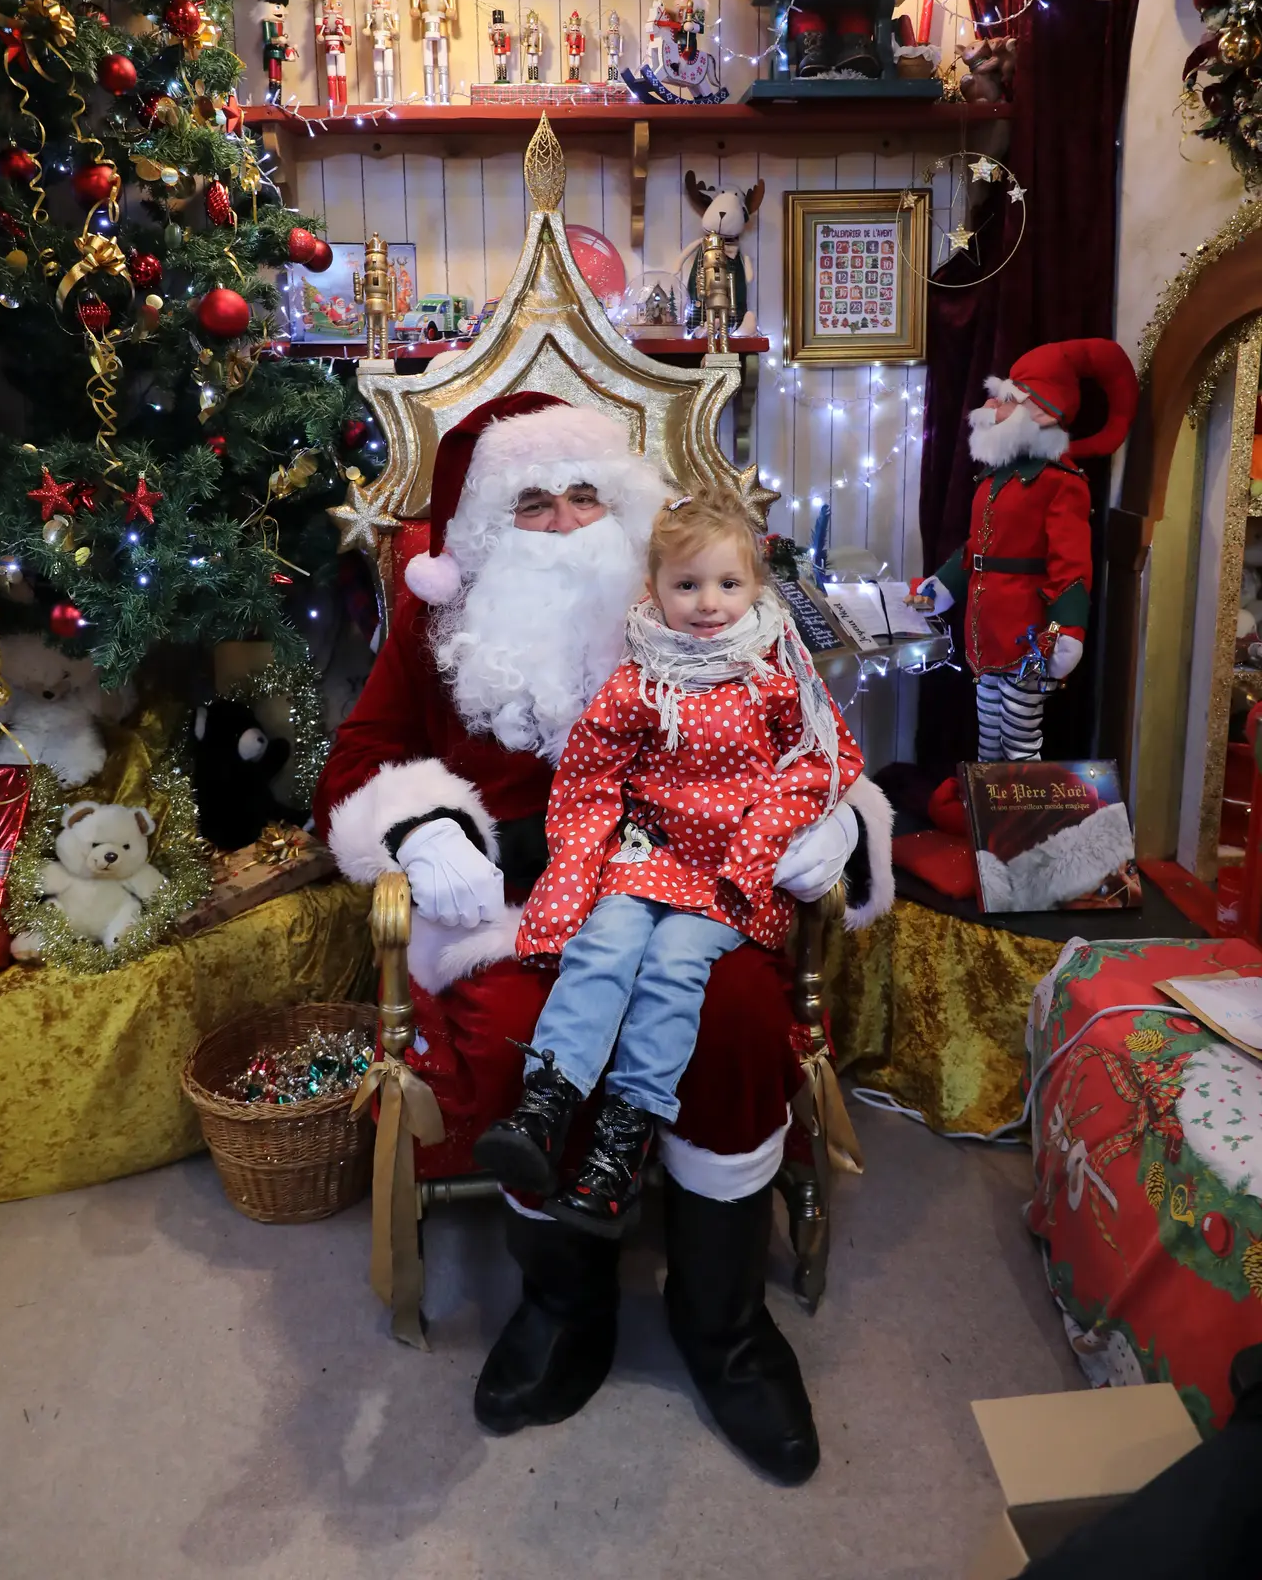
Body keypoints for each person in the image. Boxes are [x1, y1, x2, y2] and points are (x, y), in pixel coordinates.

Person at [313, 393, 893, 1483]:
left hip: (707, 879)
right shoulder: (438, 623)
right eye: (534, 502)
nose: (570, 520)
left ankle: (720, 1325)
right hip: (517, 903)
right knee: (518, 1029)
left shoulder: (703, 611)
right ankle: (562, 1309)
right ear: (485, 527)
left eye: (589, 492)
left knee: (729, 1021)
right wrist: (425, 822)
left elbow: (812, 737)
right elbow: (354, 763)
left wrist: (830, 825)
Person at [476, 486, 865, 1241]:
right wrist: (573, 878)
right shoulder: (640, 676)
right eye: (686, 585)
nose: (709, 604)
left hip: (728, 873)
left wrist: (765, 841)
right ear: (653, 589)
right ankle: (545, 1105)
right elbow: (590, 775)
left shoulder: (775, 672)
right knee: (603, 949)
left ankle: (624, 1137)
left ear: (756, 586)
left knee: (674, 971)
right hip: (648, 858)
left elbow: (822, 759)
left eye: (728, 584)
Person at [911, 338, 1138, 761]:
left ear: (1041, 411)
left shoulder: (1060, 482)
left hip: (1028, 636)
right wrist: (939, 587)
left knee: (1020, 741)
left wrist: (1068, 631)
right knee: (988, 738)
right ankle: (990, 816)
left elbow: (1070, 566)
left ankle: (1020, 822)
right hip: (985, 632)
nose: (989, 409)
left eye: (1004, 400)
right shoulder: (994, 479)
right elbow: (975, 551)